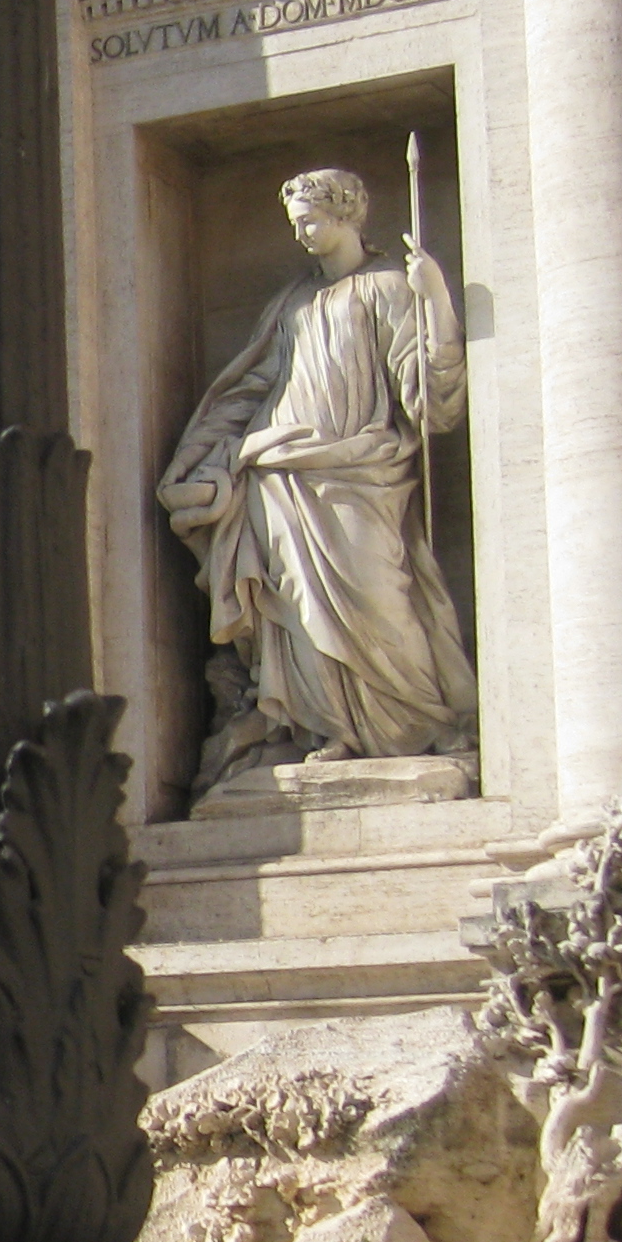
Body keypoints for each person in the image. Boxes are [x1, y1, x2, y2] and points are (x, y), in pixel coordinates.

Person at [158, 166, 472, 784]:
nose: (301, 234)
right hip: (280, 472)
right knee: (299, 605)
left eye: (310, 221)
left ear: (346, 216)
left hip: (360, 469)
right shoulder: (291, 302)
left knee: (381, 599)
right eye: (296, 224)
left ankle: (417, 725)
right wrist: (206, 454)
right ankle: (332, 729)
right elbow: (251, 383)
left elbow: (433, 397)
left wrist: (433, 295)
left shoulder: (387, 288)